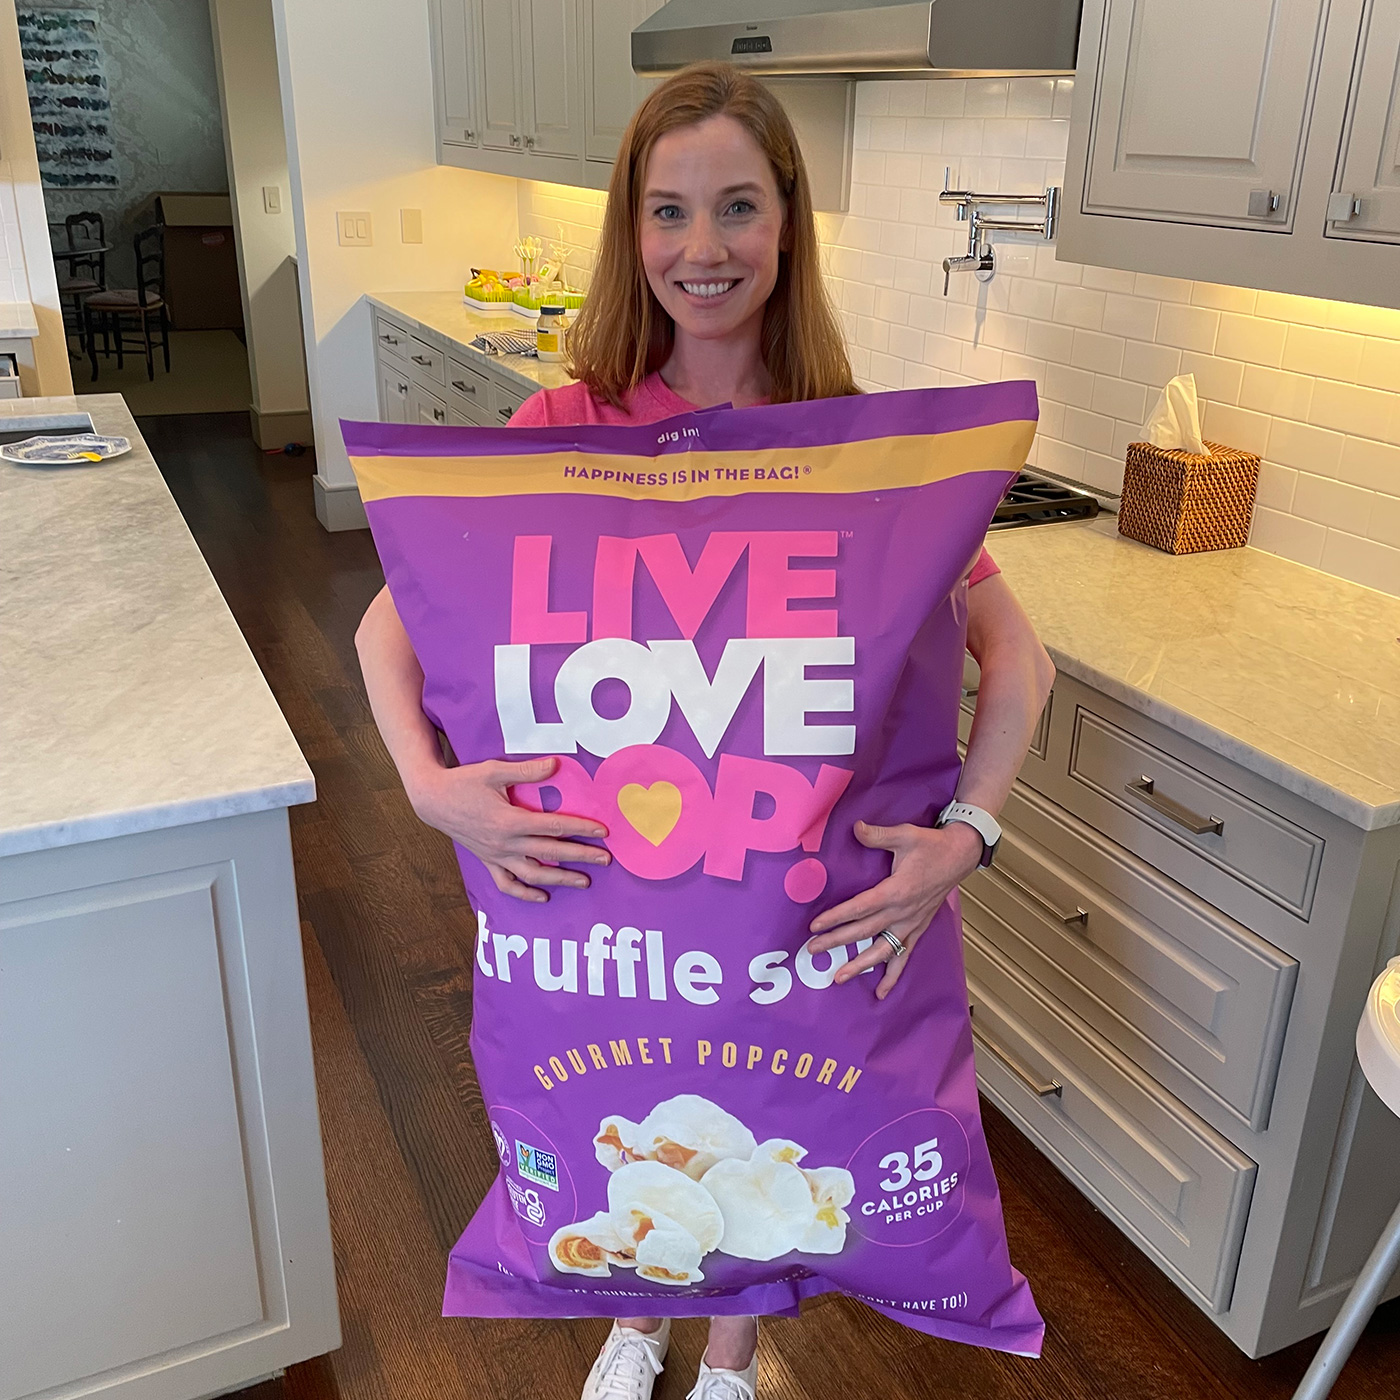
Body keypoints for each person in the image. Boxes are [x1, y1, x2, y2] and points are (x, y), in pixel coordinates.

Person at [356, 60, 1054, 1400]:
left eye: (737, 207)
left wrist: (971, 830)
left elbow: (1017, 655)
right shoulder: (561, 425)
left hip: (789, 896)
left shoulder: (857, 450)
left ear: (787, 222)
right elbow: (384, 631)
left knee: (784, 1115)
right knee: (637, 1105)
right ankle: (635, 1313)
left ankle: (732, 1359)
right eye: (668, 213)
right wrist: (428, 791)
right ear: (632, 232)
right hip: (610, 897)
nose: (702, 248)